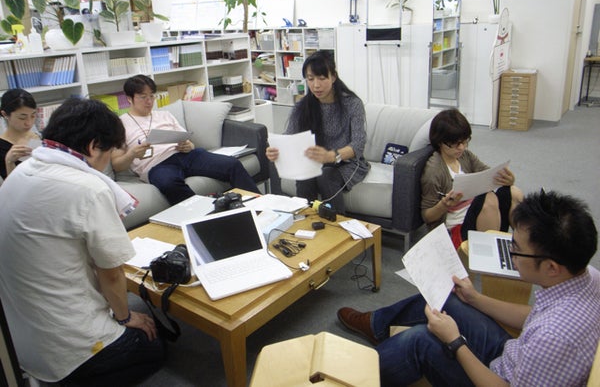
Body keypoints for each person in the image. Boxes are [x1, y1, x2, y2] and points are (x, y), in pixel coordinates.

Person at [338, 190, 600, 386]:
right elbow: (535, 316)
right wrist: (475, 298)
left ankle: (342, 378)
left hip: (500, 379)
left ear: (552, 267)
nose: (511, 253)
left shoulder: (552, 337)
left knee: (420, 340)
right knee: (448, 298)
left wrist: (455, 342)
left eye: (517, 249)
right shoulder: (588, 277)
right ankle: (377, 325)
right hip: (515, 358)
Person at [0, 98, 165, 386]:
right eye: (109, 151)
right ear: (93, 146)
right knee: (153, 343)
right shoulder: (88, 188)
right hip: (70, 348)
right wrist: (125, 318)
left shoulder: (19, 172)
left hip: (16, 342)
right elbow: (111, 273)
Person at [111, 74, 259, 205]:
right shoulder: (120, 124)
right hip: (157, 166)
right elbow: (117, 165)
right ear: (129, 98)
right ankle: (204, 216)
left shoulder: (164, 115)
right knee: (168, 184)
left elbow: (187, 140)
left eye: (151, 96)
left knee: (232, 164)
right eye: (143, 97)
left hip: (186, 156)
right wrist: (132, 154)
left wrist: (188, 146)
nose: (149, 101)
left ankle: (261, 205)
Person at [265, 51, 370, 214]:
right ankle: (307, 221)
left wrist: (331, 156)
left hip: (347, 162)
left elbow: (358, 144)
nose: (316, 85)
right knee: (305, 178)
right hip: (316, 162)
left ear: (333, 77)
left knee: (326, 175)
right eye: (310, 79)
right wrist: (276, 151)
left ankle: (336, 223)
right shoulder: (303, 106)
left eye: (322, 78)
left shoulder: (352, 104)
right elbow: (289, 137)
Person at [421, 108, 523, 248]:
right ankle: (489, 253)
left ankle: (522, 245)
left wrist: (507, 180)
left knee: (514, 193)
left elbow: (489, 174)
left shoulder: (465, 156)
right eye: (456, 144)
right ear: (440, 142)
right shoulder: (434, 171)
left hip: (481, 216)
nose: (461, 148)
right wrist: (444, 205)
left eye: (465, 142)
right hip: (457, 229)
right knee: (488, 198)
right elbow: (427, 216)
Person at [0, 88, 40, 179]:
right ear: (5, 114)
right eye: (22, 118)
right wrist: (9, 162)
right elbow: (9, 186)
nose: (29, 123)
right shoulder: (2, 147)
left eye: (33, 115)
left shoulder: (38, 137)